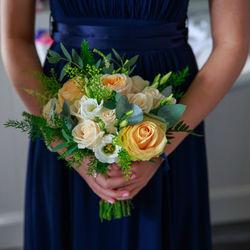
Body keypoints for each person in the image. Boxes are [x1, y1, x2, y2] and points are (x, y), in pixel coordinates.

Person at [1, 0, 249, 249]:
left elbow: (232, 42)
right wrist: (67, 146)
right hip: (65, 112)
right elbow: (14, 37)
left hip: (170, 112)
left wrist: (158, 148)